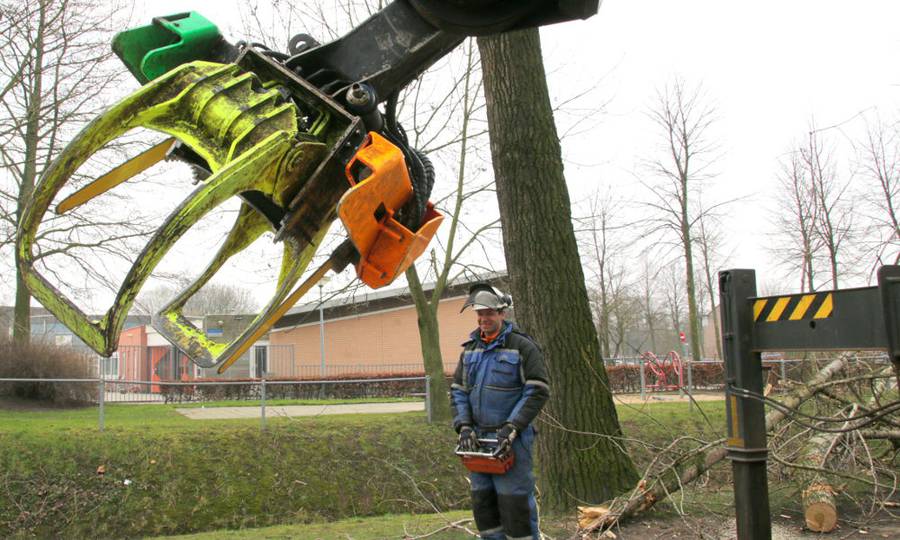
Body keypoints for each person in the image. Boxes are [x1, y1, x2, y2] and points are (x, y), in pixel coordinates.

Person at [451, 283, 550, 540]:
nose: (484, 319)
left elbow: (537, 389)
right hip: (478, 442)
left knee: (514, 506)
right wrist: (463, 425)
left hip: (512, 441)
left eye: (489, 314)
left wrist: (513, 426)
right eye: (480, 314)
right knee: (484, 507)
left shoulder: (522, 347)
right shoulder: (470, 350)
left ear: (502, 313)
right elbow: (459, 391)